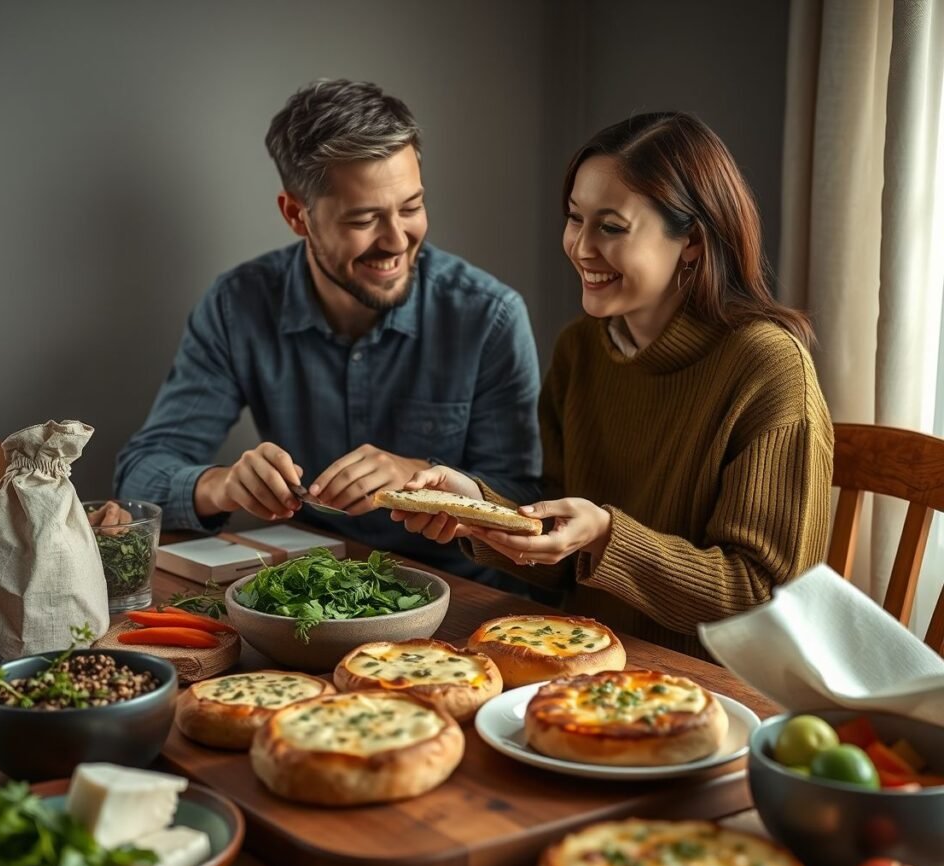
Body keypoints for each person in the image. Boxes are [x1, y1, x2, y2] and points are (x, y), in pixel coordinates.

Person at [391, 112, 834, 659]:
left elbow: (762, 597)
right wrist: (478, 508)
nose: (580, 247)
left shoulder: (767, 366)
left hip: (716, 690)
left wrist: (606, 536)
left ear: (691, 240)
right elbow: (564, 559)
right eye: (575, 218)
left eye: (611, 227)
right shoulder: (580, 350)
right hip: (583, 660)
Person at [115, 79, 541, 586]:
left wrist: (420, 476)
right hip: (307, 592)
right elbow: (139, 475)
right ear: (297, 215)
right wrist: (223, 484)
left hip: (458, 596)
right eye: (364, 219)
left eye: (411, 207)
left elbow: (521, 504)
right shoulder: (238, 305)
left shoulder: (489, 316)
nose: (396, 240)